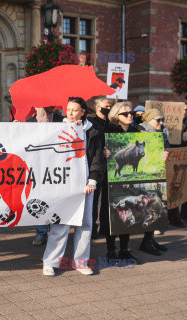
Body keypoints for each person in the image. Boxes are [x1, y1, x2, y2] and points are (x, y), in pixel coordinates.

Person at [42, 97, 105, 276]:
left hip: (85, 185)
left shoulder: (92, 131)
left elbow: (97, 158)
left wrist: (92, 180)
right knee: (60, 224)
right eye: (68, 109)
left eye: (74, 110)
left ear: (83, 112)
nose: (70, 113)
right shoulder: (57, 128)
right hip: (62, 183)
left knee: (85, 224)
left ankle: (81, 262)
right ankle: (50, 262)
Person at [102, 101, 139, 264]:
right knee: (112, 212)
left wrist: (162, 155)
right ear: (116, 116)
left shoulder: (137, 132)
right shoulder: (107, 131)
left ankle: (124, 249)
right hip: (111, 181)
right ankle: (111, 250)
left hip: (130, 181)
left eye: (131, 113)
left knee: (128, 209)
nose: (130, 116)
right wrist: (103, 151)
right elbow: (96, 152)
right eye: (125, 114)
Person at [27, 107, 64, 246]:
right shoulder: (29, 122)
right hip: (37, 168)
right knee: (39, 199)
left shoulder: (62, 121)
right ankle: (41, 233)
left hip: (57, 168)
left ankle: (56, 233)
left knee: (56, 199)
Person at [136, 109, 171, 256]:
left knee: (157, 206)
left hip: (158, 173)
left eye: (162, 119)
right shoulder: (140, 132)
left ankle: (149, 239)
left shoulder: (161, 132)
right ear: (149, 120)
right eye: (158, 120)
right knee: (150, 207)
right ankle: (146, 242)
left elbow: (166, 147)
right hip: (145, 175)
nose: (161, 123)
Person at [87, 97, 112, 239]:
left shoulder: (110, 123)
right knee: (94, 199)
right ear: (97, 107)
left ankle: (105, 226)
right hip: (96, 165)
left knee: (106, 199)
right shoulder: (91, 123)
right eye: (106, 106)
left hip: (110, 165)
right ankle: (92, 228)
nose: (108, 108)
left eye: (110, 106)